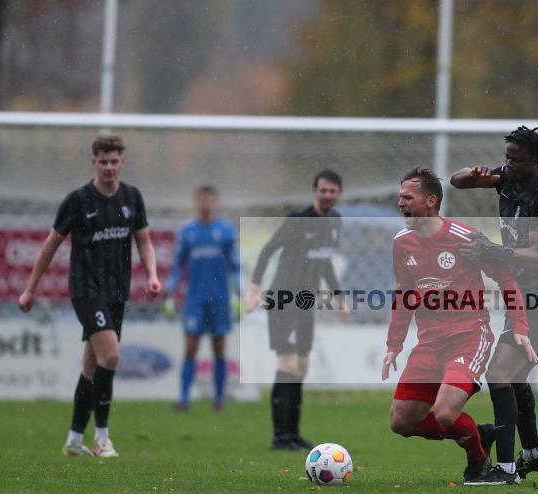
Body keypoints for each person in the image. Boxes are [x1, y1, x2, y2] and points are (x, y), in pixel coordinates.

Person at [383, 167, 537, 485]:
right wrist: (394, 344)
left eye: (407, 197)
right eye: (399, 197)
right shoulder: (402, 243)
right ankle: (476, 433)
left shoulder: (465, 239)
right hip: (429, 343)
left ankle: (477, 460)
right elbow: (404, 294)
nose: (400, 203)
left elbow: (506, 279)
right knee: (401, 422)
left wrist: (520, 325)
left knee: (443, 413)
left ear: (430, 201)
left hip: (469, 336)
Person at [18, 134, 161, 458]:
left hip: (116, 292)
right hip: (86, 290)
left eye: (114, 161)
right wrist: (30, 288)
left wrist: (151, 274)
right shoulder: (78, 201)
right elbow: (51, 245)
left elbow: (144, 242)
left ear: (122, 162)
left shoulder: (132, 197)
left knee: (92, 367)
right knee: (110, 356)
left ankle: (73, 440)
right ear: (93, 163)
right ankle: (102, 439)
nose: (109, 167)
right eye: (103, 162)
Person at [450, 125, 538, 484]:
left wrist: (491, 250)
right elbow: (456, 182)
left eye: (515, 159)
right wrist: (473, 175)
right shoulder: (507, 178)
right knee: (513, 379)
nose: (508, 164)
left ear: (534, 159)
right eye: (506, 158)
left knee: (499, 374)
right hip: (520, 296)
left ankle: (505, 468)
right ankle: (532, 454)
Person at [243, 170, 347, 450]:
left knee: (301, 367)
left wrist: (339, 296)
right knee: (287, 365)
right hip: (282, 301)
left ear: (338, 194)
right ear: (315, 191)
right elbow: (267, 250)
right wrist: (254, 289)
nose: (327, 195)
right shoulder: (298, 220)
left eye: (332, 191)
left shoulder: (335, 222)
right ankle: (280, 437)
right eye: (322, 190)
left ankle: (293, 433)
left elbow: (324, 261)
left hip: (305, 304)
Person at [163, 185, 240, 412]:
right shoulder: (187, 232)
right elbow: (178, 265)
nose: (205, 203)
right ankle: (184, 399)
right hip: (194, 300)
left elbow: (235, 266)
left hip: (220, 299)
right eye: (201, 199)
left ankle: (218, 399)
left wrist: (240, 292)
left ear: (215, 202)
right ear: (196, 202)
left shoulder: (225, 231)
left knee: (219, 348)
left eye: (209, 199)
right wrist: (169, 292)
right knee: (191, 347)